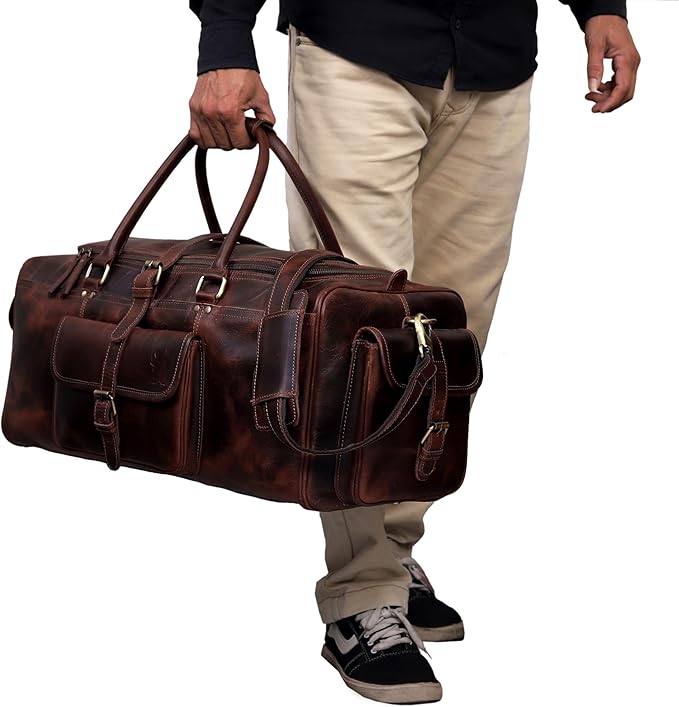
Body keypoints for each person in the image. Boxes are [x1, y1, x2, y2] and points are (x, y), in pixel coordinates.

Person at [188, 2, 640, 703]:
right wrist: (225, 37)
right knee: (357, 337)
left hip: (494, 56)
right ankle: (360, 592)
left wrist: (600, 7)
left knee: (453, 336)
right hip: (358, 43)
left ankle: (391, 554)